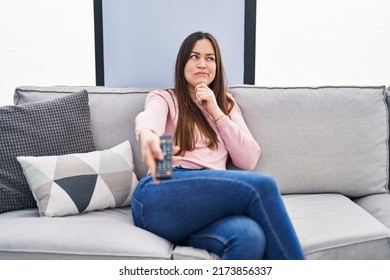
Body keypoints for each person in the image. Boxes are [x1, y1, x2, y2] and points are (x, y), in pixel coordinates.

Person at [132, 31, 304, 260]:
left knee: (249, 236)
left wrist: (216, 111)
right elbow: (150, 120)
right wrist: (148, 136)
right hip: (161, 190)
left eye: (210, 58)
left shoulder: (226, 104)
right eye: (194, 56)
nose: (202, 64)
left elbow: (249, 159)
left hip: (204, 206)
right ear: (182, 63)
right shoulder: (166, 98)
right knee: (262, 185)